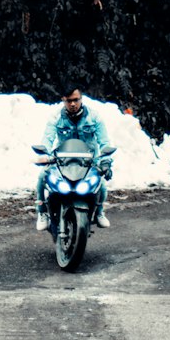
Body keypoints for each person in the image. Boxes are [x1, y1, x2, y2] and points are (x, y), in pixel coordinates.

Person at [35, 86, 112, 231]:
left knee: (101, 185)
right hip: (63, 160)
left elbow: (105, 142)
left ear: (81, 99)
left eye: (76, 100)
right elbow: (47, 139)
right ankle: (42, 212)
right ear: (63, 100)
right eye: (69, 100)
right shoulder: (55, 118)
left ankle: (100, 211)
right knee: (42, 177)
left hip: (89, 161)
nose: (72, 104)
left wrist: (106, 162)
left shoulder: (94, 117)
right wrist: (44, 156)